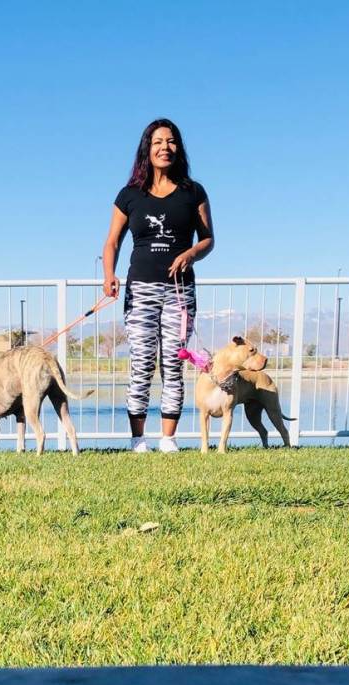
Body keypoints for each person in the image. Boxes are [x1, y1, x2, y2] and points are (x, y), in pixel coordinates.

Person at [101, 118, 215, 452]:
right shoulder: (129, 195)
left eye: (171, 141)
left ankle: (168, 439)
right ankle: (138, 439)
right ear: (146, 150)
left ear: (179, 148)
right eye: (157, 142)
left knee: (173, 363)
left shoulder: (193, 192)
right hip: (141, 290)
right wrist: (109, 274)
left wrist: (192, 253)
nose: (165, 147)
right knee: (142, 361)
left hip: (179, 291)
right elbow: (112, 242)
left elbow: (208, 239)